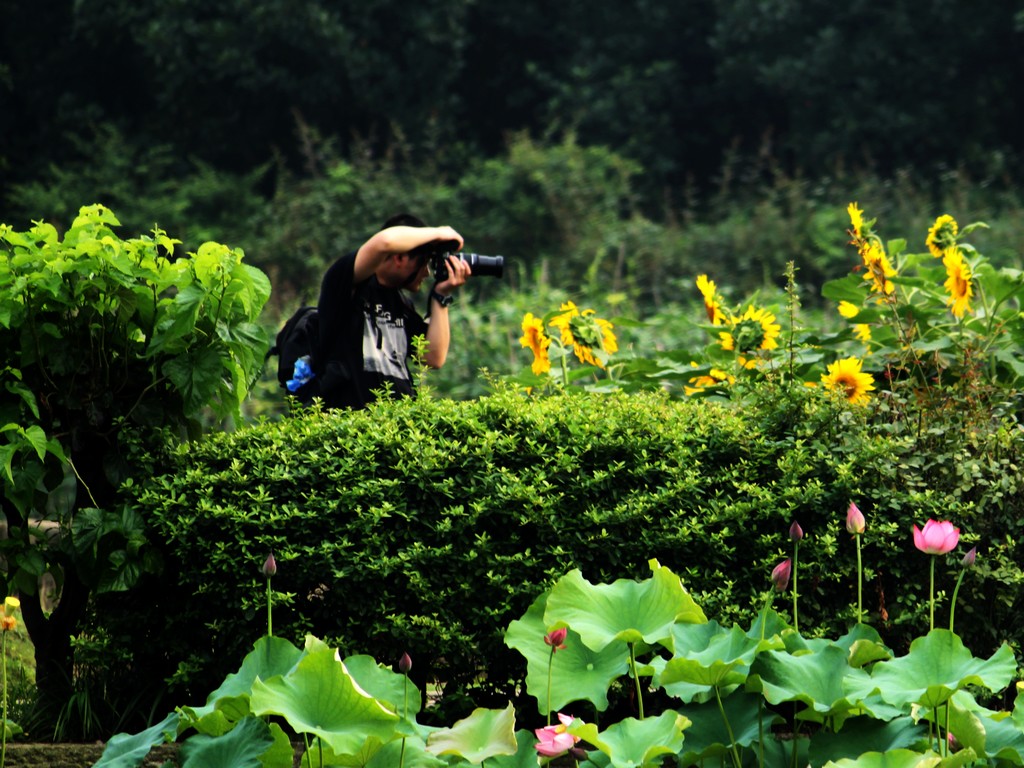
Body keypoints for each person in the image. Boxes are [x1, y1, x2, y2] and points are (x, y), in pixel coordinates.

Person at [315, 213, 471, 410]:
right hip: (353, 427)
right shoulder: (347, 285)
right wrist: (438, 233)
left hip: (396, 428)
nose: (427, 272)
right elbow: (385, 241)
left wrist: (441, 295)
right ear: (399, 257)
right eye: (424, 262)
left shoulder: (402, 304)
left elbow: (433, 357)